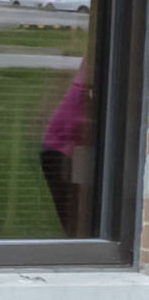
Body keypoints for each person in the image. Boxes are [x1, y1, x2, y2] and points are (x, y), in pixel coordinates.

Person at [40, 56, 92, 238]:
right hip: (63, 150)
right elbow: (76, 124)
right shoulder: (98, 69)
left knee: (83, 224)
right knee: (78, 225)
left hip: (75, 149)